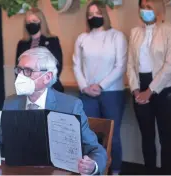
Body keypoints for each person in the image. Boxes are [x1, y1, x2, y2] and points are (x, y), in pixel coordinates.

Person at [0, 47, 107, 175]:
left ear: (47, 77)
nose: (21, 76)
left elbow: (95, 149)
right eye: (19, 70)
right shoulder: (11, 102)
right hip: (18, 172)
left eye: (28, 71)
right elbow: (0, 140)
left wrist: (92, 166)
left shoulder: (70, 105)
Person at [73, 0, 127, 174]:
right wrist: (84, 87)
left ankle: (116, 170)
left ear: (104, 14)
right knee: (89, 136)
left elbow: (120, 66)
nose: (93, 17)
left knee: (113, 136)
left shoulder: (116, 36)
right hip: (87, 94)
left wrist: (101, 85)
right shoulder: (82, 38)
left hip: (112, 93)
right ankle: (92, 171)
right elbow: (76, 65)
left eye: (97, 13)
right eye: (90, 14)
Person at [127, 0, 171, 174]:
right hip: (139, 87)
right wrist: (135, 89)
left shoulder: (168, 30)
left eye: (149, 7)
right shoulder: (135, 32)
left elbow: (169, 65)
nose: (145, 11)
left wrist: (150, 90)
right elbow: (130, 63)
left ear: (158, 9)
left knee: (166, 138)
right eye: (143, 7)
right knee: (147, 137)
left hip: (163, 89)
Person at [15, 8, 64, 93]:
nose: (31, 24)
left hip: (50, 88)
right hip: (28, 89)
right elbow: (18, 68)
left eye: (34, 20)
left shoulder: (52, 40)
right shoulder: (22, 44)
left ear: (41, 22)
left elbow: (57, 65)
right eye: (28, 22)